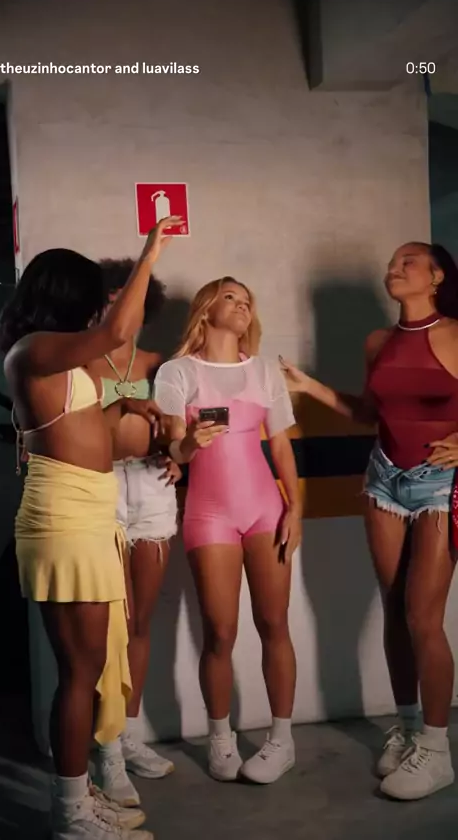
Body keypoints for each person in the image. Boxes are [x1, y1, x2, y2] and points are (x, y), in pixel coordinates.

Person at [0, 215, 182, 840]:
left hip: (88, 513)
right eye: (92, 296)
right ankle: (71, 813)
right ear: (68, 296)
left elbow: (78, 428)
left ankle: (80, 795)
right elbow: (117, 331)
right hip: (66, 517)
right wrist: (150, 251)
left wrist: (122, 404)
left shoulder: (57, 358)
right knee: (80, 672)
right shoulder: (34, 348)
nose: (99, 307)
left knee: (91, 667)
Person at [281, 242, 458, 801]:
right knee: (394, 609)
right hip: (383, 480)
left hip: (440, 485)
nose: (394, 269)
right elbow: (367, 413)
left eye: (409, 262)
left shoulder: (456, 334)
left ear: (436, 277)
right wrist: (309, 386)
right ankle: (407, 729)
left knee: (423, 617)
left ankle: (437, 751)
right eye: (392, 263)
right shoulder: (377, 342)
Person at [153, 276, 301, 785]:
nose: (242, 306)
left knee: (274, 623)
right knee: (219, 631)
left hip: (266, 510)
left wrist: (295, 508)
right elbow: (175, 450)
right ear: (206, 308)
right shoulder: (177, 372)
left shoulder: (263, 370)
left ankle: (282, 740)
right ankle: (220, 738)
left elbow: (280, 445)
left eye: (247, 300)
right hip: (209, 512)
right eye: (231, 297)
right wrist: (189, 444)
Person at [88, 261, 180, 808]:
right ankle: (105, 751)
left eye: (133, 297)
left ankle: (126, 733)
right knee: (110, 627)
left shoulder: (158, 363)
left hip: (151, 485)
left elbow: (177, 429)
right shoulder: (80, 360)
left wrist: (179, 457)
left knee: (140, 622)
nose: (121, 304)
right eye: (112, 295)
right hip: (98, 488)